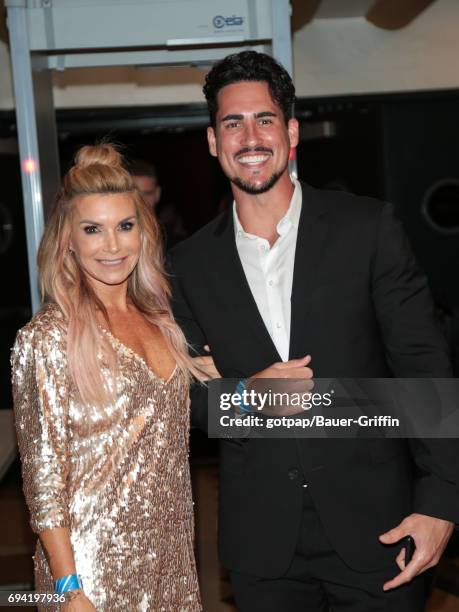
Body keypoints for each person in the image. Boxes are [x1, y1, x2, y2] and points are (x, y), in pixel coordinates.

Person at [168, 51, 459, 611]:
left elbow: (425, 365)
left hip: (381, 529)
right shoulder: (186, 265)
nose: (249, 137)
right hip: (263, 548)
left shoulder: (366, 229)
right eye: (233, 123)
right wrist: (251, 398)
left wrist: (441, 503)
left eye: (264, 120)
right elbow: (189, 401)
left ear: (292, 131)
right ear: (212, 141)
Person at [11, 144, 210, 611]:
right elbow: (43, 482)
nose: (113, 245)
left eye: (125, 226)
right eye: (93, 230)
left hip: (172, 562)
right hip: (91, 569)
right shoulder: (48, 337)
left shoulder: (162, 320)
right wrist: (69, 592)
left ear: (144, 231)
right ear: (68, 240)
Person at [127, 158, 188, 249]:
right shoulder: (115, 241)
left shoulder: (177, 245)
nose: (141, 201)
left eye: (147, 194)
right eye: (135, 195)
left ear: (157, 193)